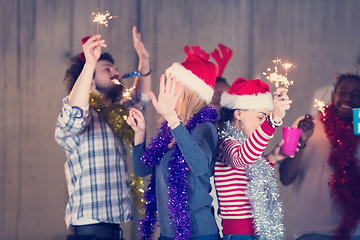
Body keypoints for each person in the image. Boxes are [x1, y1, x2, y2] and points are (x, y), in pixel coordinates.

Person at [55, 26, 151, 240]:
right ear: (89, 79)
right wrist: (90, 63)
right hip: (88, 230)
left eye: (115, 69)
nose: (116, 73)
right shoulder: (80, 115)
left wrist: (144, 60)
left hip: (114, 228)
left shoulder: (117, 114)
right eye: (107, 69)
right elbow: (74, 115)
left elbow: (141, 99)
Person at [126, 54, 220, 240]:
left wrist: (172, 120)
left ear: (190, 91)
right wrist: (140, 133)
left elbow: (200, 166)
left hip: (198, 234)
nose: (167, 91)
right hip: (168, 234)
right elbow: (140, 169)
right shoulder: (170, 132)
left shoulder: (204, 128)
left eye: (173, 84)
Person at [279, 73, 360, 240]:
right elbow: (284, 177)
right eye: (343, 92)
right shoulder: (302, 122)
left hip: (354, 231)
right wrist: (301, 141)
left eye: (356, 95)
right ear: (333, 95)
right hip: (310, 229)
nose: (348, 98)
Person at [214, 78, 291, 240]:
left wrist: (272, 157)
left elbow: (250, 172)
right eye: (260, 117)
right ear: (239, 113)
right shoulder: (227, 143)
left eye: (266, 118)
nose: (263, 123)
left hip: (257, 230)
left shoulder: (245, 144)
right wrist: (272, 122)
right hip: (239, 234)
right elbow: (242, 158)